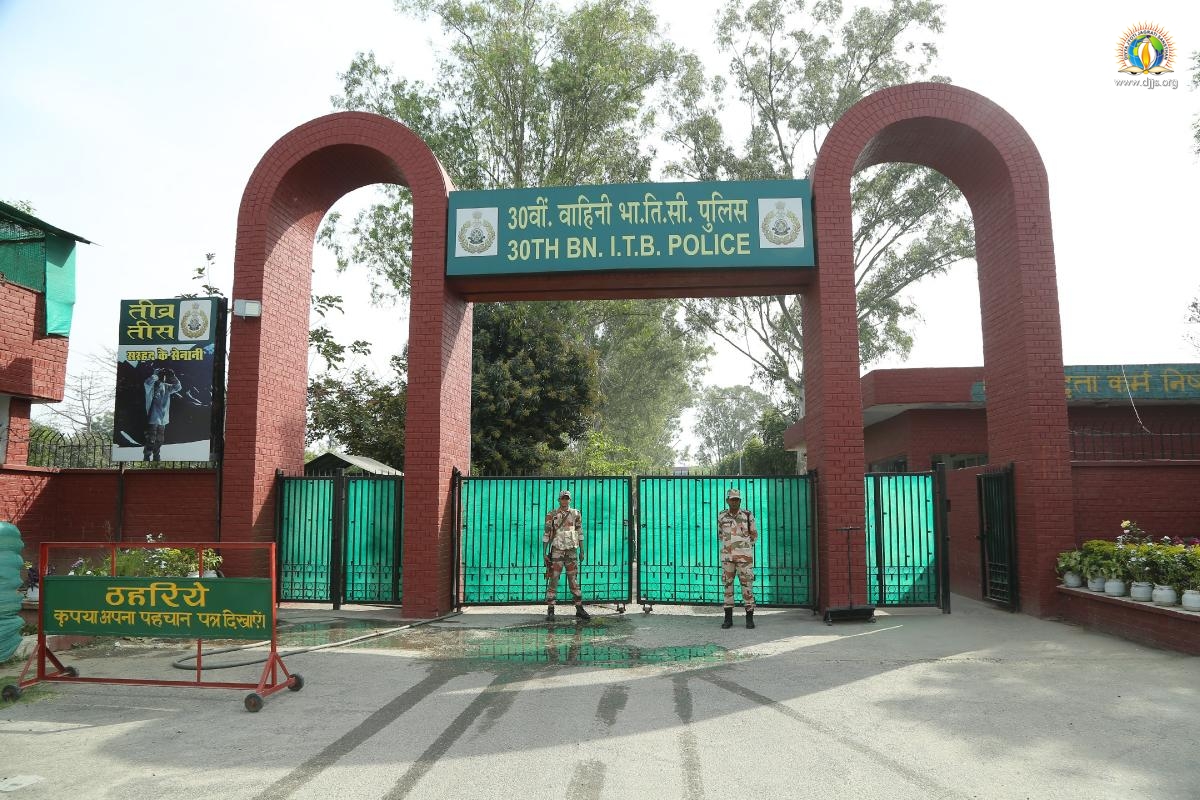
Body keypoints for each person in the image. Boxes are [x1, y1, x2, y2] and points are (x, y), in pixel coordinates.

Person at [543, 489, 590, 621]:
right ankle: (551, 609)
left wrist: (582, 550)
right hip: (557, 551)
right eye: (563, 498)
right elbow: (547, 533)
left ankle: (579, 608)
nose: (565, 500)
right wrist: (544, 552)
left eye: (567, 498)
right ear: (559, 500)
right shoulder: (552, 514)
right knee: (553, 579)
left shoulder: (576, 513)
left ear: (570, 499)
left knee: (573, 580)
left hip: (571, 552)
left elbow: (579, 532)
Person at [718, 487, 758, 629]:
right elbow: (720, 534)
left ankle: (749, 618)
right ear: (727, 500)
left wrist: (744, 548)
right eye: (732, 499)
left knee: (747, 587)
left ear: (740, 500)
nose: (734, 502)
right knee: (728, 587)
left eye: (737, 499)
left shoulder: (747, 515)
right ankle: (728, 619)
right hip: (728, 558)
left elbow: (754, 535)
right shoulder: (722, 516)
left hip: (744, 559)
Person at [143, 367, 182, 461]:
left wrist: (173, 377)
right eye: (161, 375)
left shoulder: (167, 386)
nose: (163, 377)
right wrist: (155, 375)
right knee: (151, 439)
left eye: (163, 375)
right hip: (152, 418)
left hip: (163, 419)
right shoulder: (151, 386)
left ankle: (156, 457)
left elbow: (178, 387)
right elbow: (147, 383)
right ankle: (147, 457)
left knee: (160, 440)